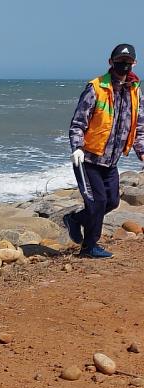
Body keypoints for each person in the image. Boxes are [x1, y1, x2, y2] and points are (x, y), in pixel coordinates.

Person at [64, 43, 143, 258]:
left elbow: (138, 125)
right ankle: (89, 247)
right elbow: (78, 123)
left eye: (128, 62)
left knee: (112, 202)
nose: (124, 66)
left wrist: (141, 152)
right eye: (120, 61)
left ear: (134, 63)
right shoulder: (96, 88)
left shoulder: (135, 90)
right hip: (88, 158)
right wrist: (77, 147)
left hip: (111, 161)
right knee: (97, 202)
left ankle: (75, 220)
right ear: (111, 62)